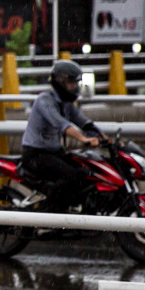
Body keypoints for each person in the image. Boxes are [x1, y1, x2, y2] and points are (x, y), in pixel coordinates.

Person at [21, 59, 105, 210]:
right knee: (71, 176)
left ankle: (73, 210)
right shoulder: (44, 101)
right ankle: (46, 213)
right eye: (72, 82)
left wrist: (104, 137)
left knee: (87, 172)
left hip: (54, 152)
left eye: (76, 83)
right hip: (36, 155)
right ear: (60, 82)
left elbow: (83, 122)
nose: (75, 87)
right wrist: (84, 139)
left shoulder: (66, 104)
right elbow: (61, 124)